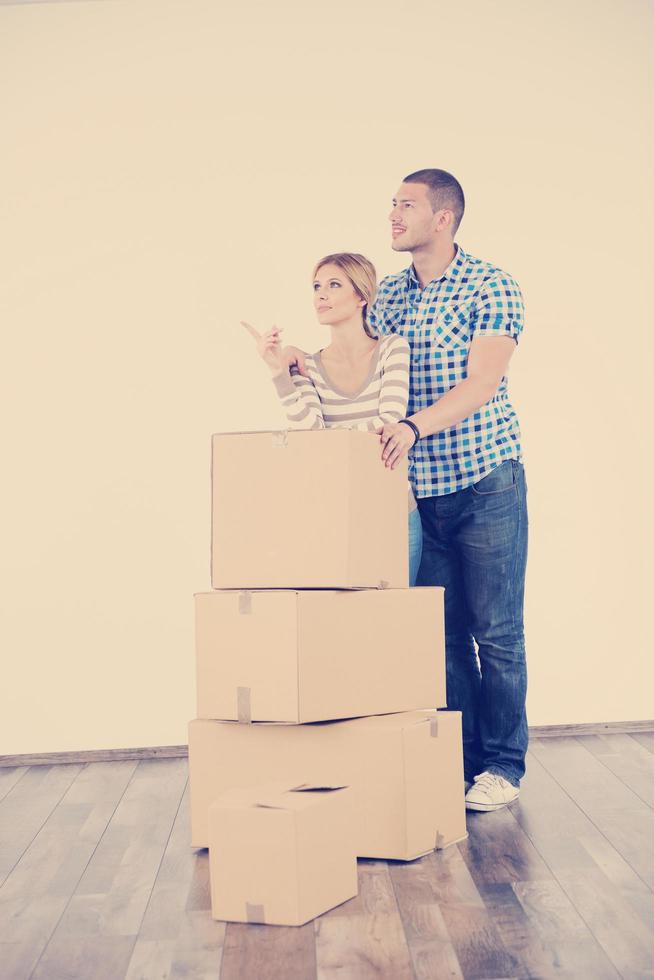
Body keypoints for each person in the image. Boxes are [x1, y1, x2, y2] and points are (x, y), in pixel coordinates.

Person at [283, 171, 528, 813]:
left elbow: (481, 384)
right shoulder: (389, 295)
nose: (393, 214)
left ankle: (503, 765)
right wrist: (294, 370)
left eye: (406, 204)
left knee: (496, 633)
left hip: (484, 478)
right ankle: (465, 761)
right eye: (392, 203)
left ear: (442, 218)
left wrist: (412, 425)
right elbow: (358, 356)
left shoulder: (491, 286)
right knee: (441, 636)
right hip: (416, 496)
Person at [242, 251, 423, 586]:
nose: (320, 295)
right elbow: (311, 436)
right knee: (343, 630)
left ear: (362, 297)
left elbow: (387, 424)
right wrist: (278, 372)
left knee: (394, 627)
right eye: (316, 286)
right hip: (336, 517)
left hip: (393, 515)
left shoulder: (392, 349)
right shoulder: (307, 365)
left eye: (334, 285)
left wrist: (335, 440)